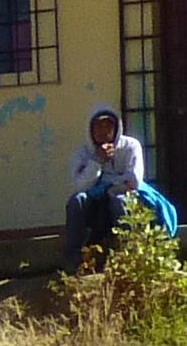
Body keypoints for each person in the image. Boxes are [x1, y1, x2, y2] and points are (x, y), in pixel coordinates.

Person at [64, 107, 153, 272]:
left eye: (108, 126)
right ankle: (73, 263)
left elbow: (133, 180)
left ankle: (129, 258)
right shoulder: (82, 154)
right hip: (94, 205)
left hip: (120, 200)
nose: (104, 131)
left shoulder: (130, 146)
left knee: (119, 200)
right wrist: (97, 161)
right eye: (99, 127)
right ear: (91, 129)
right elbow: (79, 186)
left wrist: (109, 185)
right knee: (76, 202)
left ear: (116, 128)